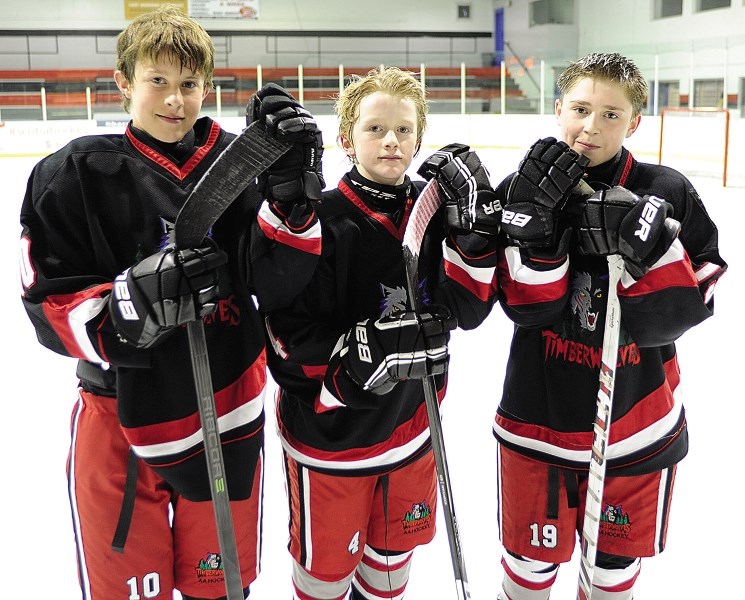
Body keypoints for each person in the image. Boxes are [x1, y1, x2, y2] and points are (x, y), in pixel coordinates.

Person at [18, 6, 323, 600]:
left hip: (228, 404)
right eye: (156, 80)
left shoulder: (243, 164)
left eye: (188, 84)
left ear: (206, 86)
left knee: (218, 586)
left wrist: (293, 202)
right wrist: (124, 308)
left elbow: (282, 283)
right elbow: (45, 303)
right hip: (119, 416)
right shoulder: (75, 173)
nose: (174, 99)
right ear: (123, 81)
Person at [261, 65, 501, 599]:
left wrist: (476, 235)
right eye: (374, 129)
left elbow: (468, 309)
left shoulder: (436, 210)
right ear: (347, 138)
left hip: (412, 432)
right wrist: (350, 357)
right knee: (324, 582)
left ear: (420, 137)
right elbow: (284, 332)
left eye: (404, 129)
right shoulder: (319, 217)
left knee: (390, 572)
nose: (391, 140)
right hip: (333, 445)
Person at [493, 52, 728, 599]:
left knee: (611, 575)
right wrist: (538, 238)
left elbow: (687, 304)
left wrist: (651, 250)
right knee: (527, 570)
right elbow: (519, 305)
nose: (590, 127)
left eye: (611, 115)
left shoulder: (665, 189)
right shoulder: (520, 186)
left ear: (635, 122)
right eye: (579, 109)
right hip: (539, 416)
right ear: (558, 109)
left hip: (636, 423)